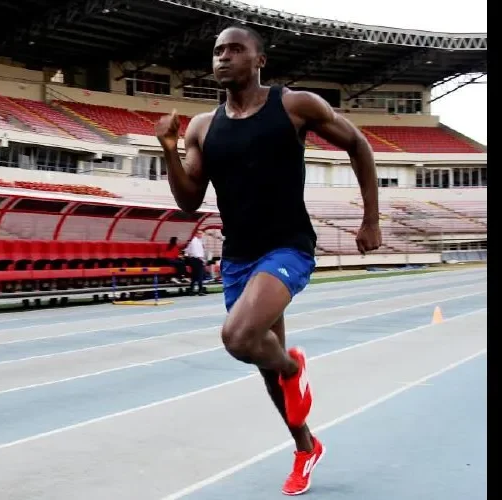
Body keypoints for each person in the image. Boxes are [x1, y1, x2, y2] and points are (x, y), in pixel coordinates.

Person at [155, 25, 382, 496]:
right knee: (263, 362)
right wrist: (168, 149)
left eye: (235, 50)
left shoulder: (294, 106)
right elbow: (189, 203)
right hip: (239, 255)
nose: (223, 58)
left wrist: (371, 220)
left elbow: (358, 144)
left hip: (288, 246)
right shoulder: (202, 127)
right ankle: (305, 447)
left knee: (239, 338)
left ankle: (294, 369)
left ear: (259, 60)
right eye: (217, 51)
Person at [184, 230, 207, 295]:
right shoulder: (195, 241)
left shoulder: (197, 241)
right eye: (199, 233)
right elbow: (195, 252)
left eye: (201, 234)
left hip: (194, 259)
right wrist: (202, 260)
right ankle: (200, 291)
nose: (201, 235)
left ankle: (191, 291)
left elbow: (187, 251)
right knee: (200, 275)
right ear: (196, 234)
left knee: (194, 276)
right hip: (197, 259)